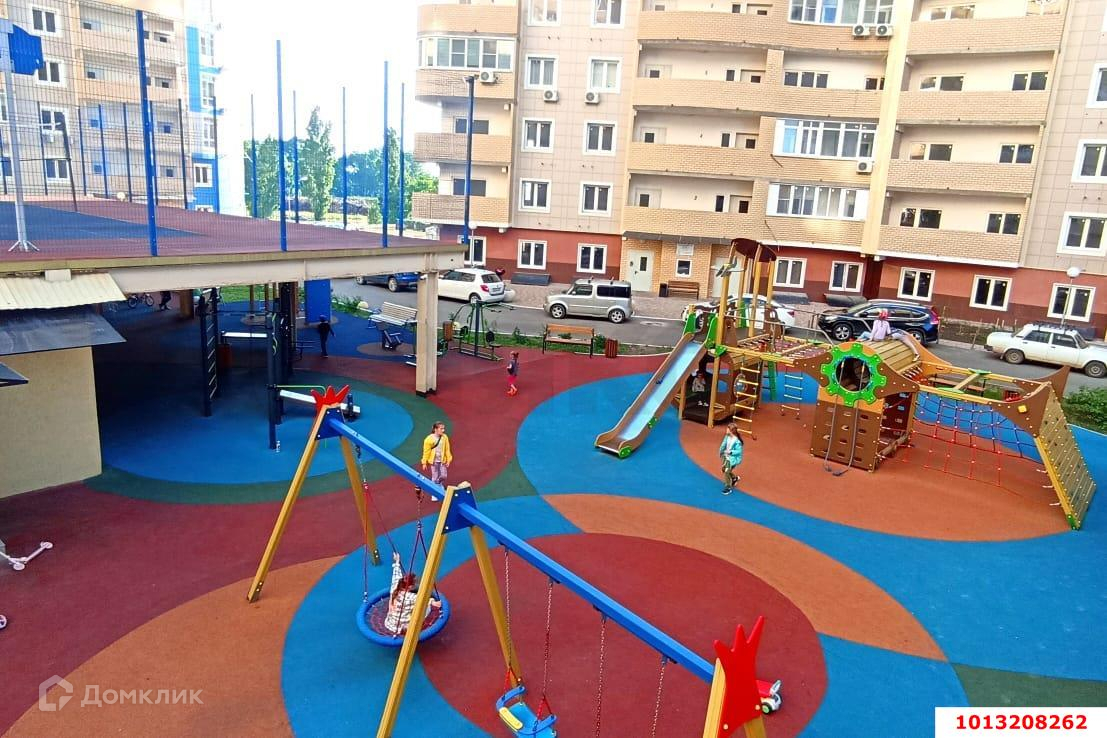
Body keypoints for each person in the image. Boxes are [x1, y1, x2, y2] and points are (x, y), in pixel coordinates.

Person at [384, 551, 442, 635]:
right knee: (426, 607)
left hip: (390, 623)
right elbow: (424, 599)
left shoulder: (395, 585)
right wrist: (434, 602)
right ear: (410, 587)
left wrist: (397, 561)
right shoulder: (411, 597)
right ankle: (408, 629)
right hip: (404, 627)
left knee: (406, 607)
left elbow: (396, 574)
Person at [421, 421, 452, 487]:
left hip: (442, 460)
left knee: (444, 476)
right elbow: (426, 452)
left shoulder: (444, 437)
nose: (443, 430)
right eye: (441, 429)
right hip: (434, 461)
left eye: (443, 428)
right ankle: (434, 489)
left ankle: (438, 483)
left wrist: (448, 460)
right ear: (435, 429)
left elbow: (447, 449)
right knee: (435, 475)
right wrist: (424, 462)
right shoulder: (428, 439)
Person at [718, 422, 744, 496]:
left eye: (728, 429)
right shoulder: (727, 437)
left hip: (732, 459)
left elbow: (739, 451)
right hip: (726, 457)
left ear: (731, 431)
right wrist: (721, 452)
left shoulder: (737, 441)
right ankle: (734, 478)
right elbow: (723, 445)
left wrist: (731, 452)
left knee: (727, 471)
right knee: (724, 470)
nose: (726, 430)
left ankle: (728, 487)